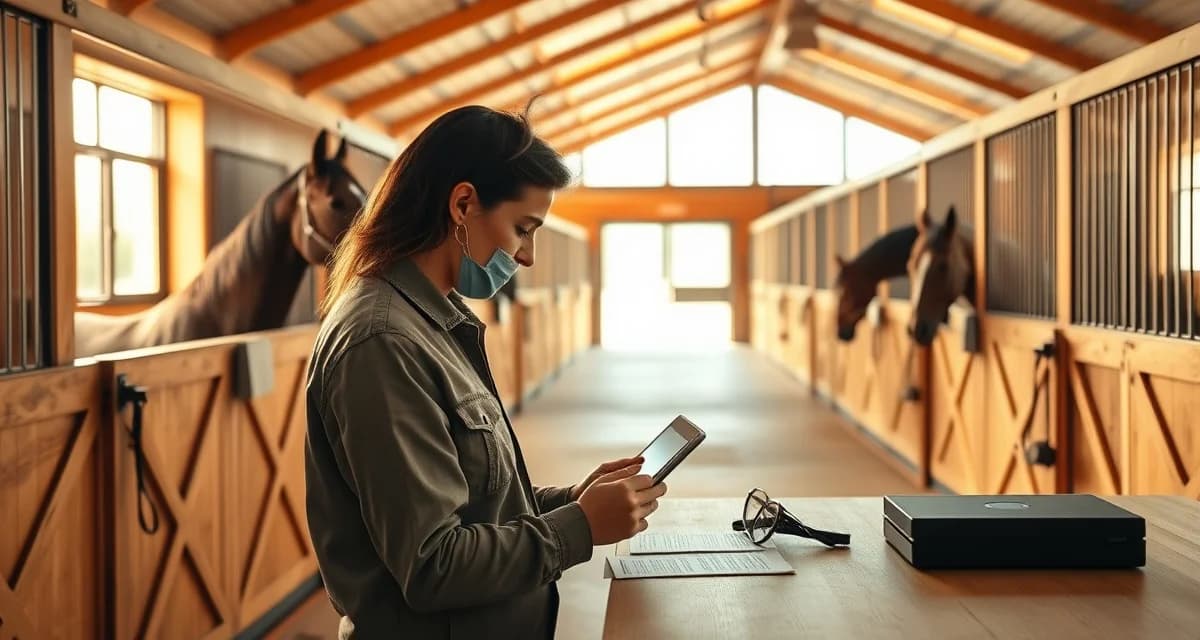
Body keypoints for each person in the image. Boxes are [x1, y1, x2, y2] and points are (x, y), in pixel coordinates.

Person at [305, 105, 668, 639]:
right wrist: (580, 527)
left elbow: (474, 502)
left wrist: (572, 500)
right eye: (523, 228)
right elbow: (434, 565)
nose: (528, 256)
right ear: (463, 202)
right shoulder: (383, 341)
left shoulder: (430, 322)